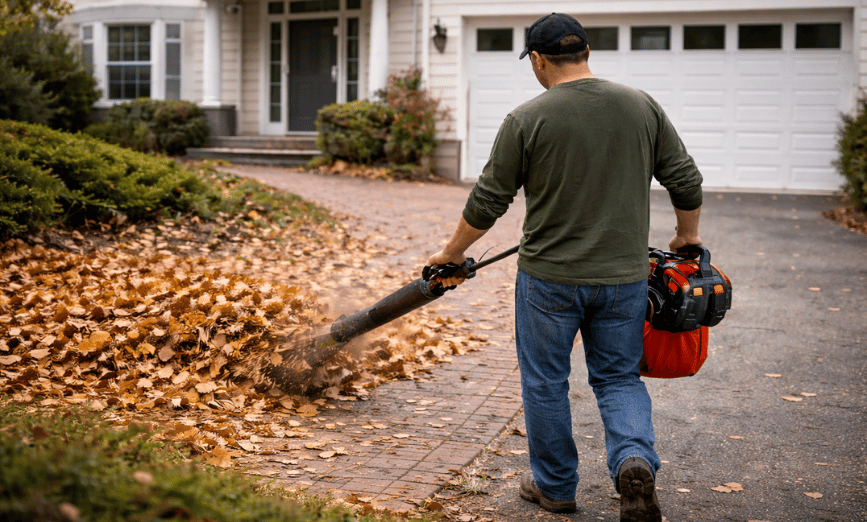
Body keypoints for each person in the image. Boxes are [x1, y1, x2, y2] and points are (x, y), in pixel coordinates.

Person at [426, 12, 703, 522]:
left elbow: (489, 200)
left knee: (545, 381)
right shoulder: (641, 107)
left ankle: (555, 487)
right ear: (585, 53)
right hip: (623, 279)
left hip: (548, 280)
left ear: (538, 59)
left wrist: (450, 252)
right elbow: (685, 179)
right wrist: (687, 236)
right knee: (618, 378)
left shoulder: (527, 119)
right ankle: (633, 460)